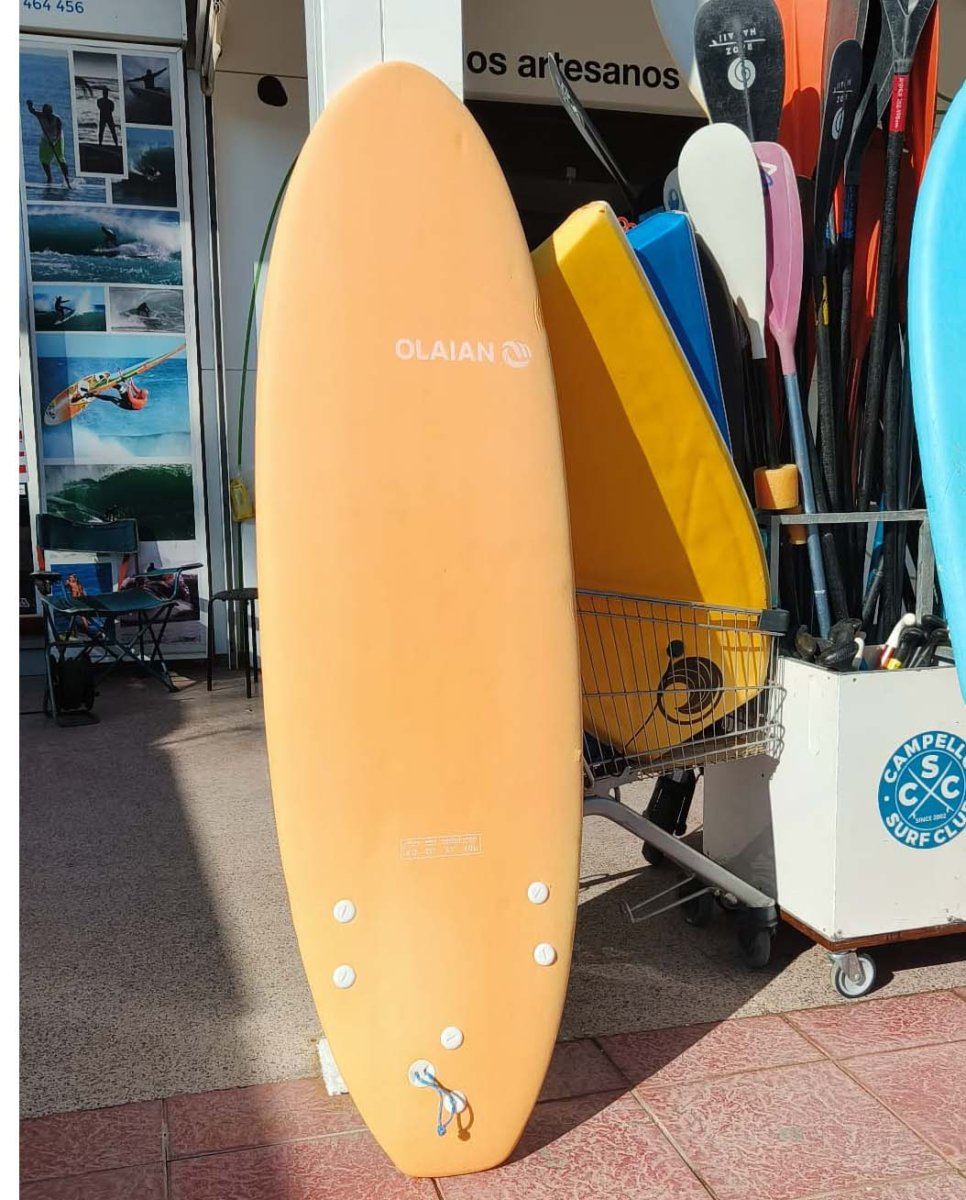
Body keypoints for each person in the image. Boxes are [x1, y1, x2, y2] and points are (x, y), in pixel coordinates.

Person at [25, 100, 71, 188]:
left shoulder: (57, 119)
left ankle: (66, 178)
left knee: (60, 158)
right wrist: (29, 105)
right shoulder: (40, 115)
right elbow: (32, 111)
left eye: (47, 112)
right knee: (43, 159)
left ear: (51, 112)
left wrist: (54, 142)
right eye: (44, 112)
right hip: (46, 139)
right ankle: (49, 178)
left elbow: (59, 133)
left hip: (57, 139)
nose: (46, 114)